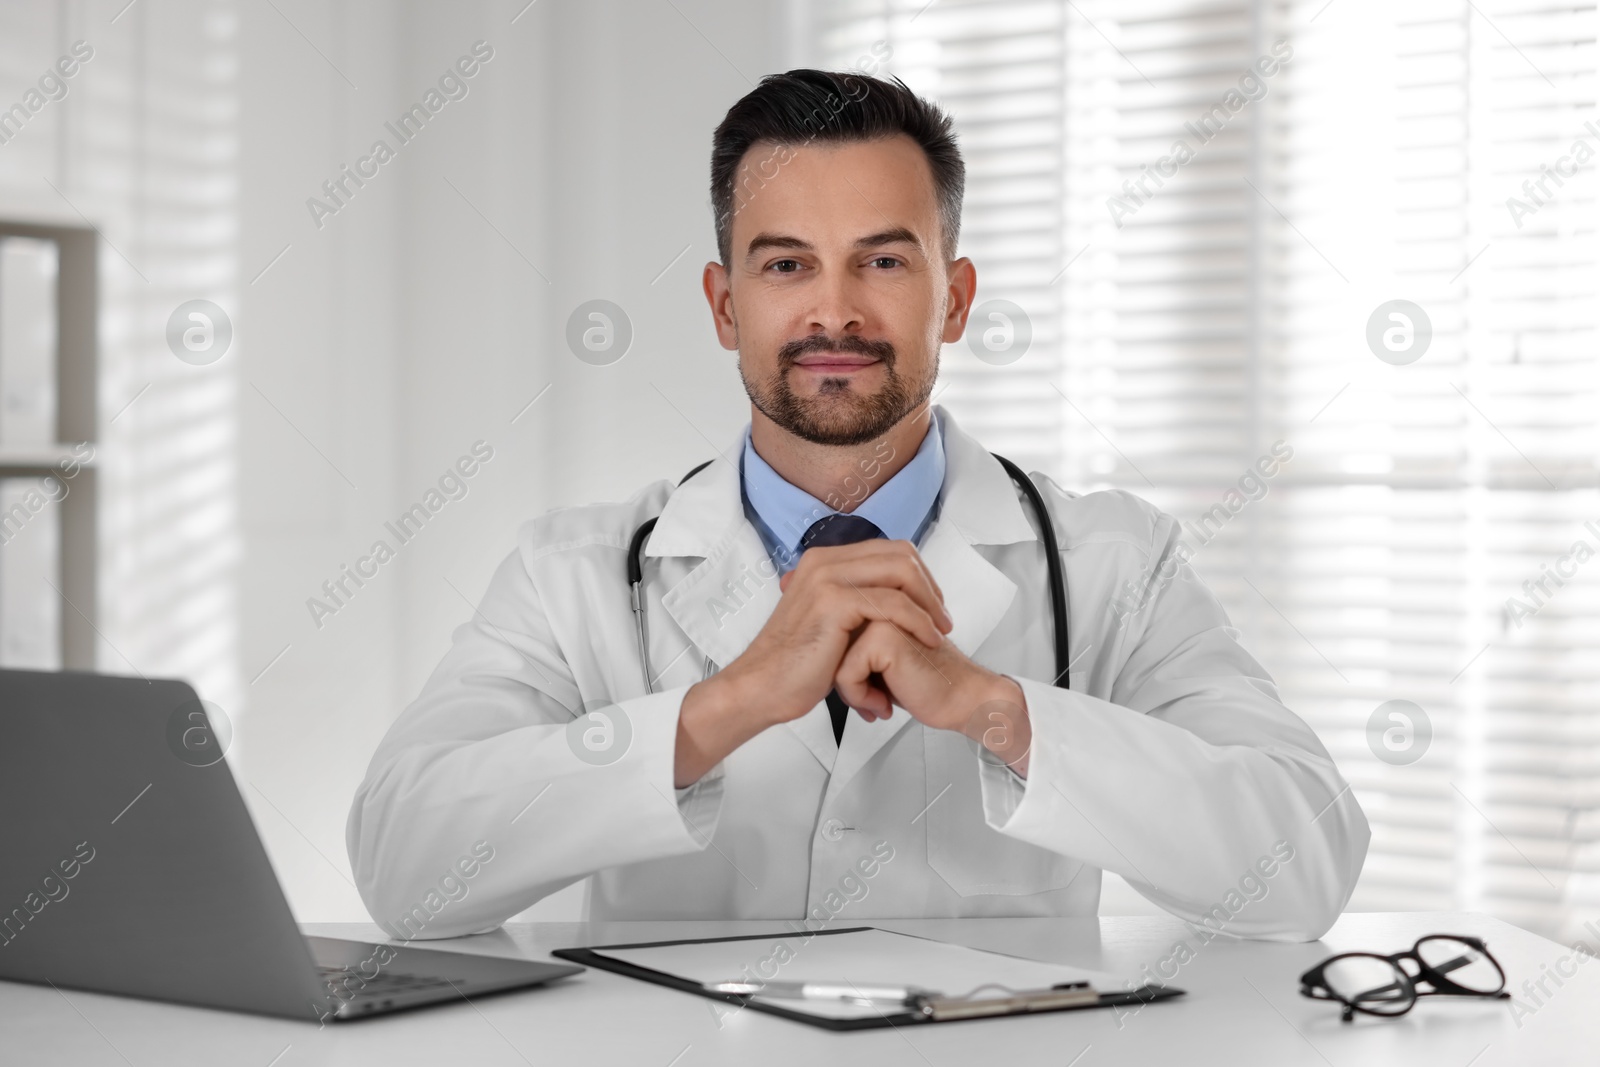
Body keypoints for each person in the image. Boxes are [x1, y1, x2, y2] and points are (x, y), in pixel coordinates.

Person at [347, 69, 1368, 943]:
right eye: (786, 263)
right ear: (723, 304)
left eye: (882, 260)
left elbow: (1303, 866)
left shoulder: (1112, 561)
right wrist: (727, 705)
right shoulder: (573, 571)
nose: (833, 309)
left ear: (955, 299)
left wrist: (994, 709)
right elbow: (404, 864)